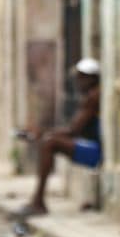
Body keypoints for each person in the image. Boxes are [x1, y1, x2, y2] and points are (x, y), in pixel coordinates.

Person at [20, 57, 101, 215]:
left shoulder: (93, 97)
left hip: (97, 153)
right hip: (92, 145)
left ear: (92, 78)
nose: (79, 81)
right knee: (48, 141)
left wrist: (42, 133)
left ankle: (38, 200)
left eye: (82, 77)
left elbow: (73, 130)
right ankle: (38, 200)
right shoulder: (90, 95)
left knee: (50, 143)